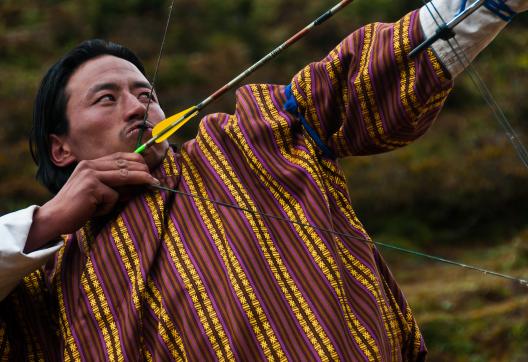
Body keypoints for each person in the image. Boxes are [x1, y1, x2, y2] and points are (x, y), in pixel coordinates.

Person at [1, 1, 525, 360]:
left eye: (145, 92)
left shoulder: (242, 145)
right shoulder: (43, 280)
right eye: (106, 97)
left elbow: (345, 86)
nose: (138, 104)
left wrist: (478, 8)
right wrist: (45, 223)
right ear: (60, 148)